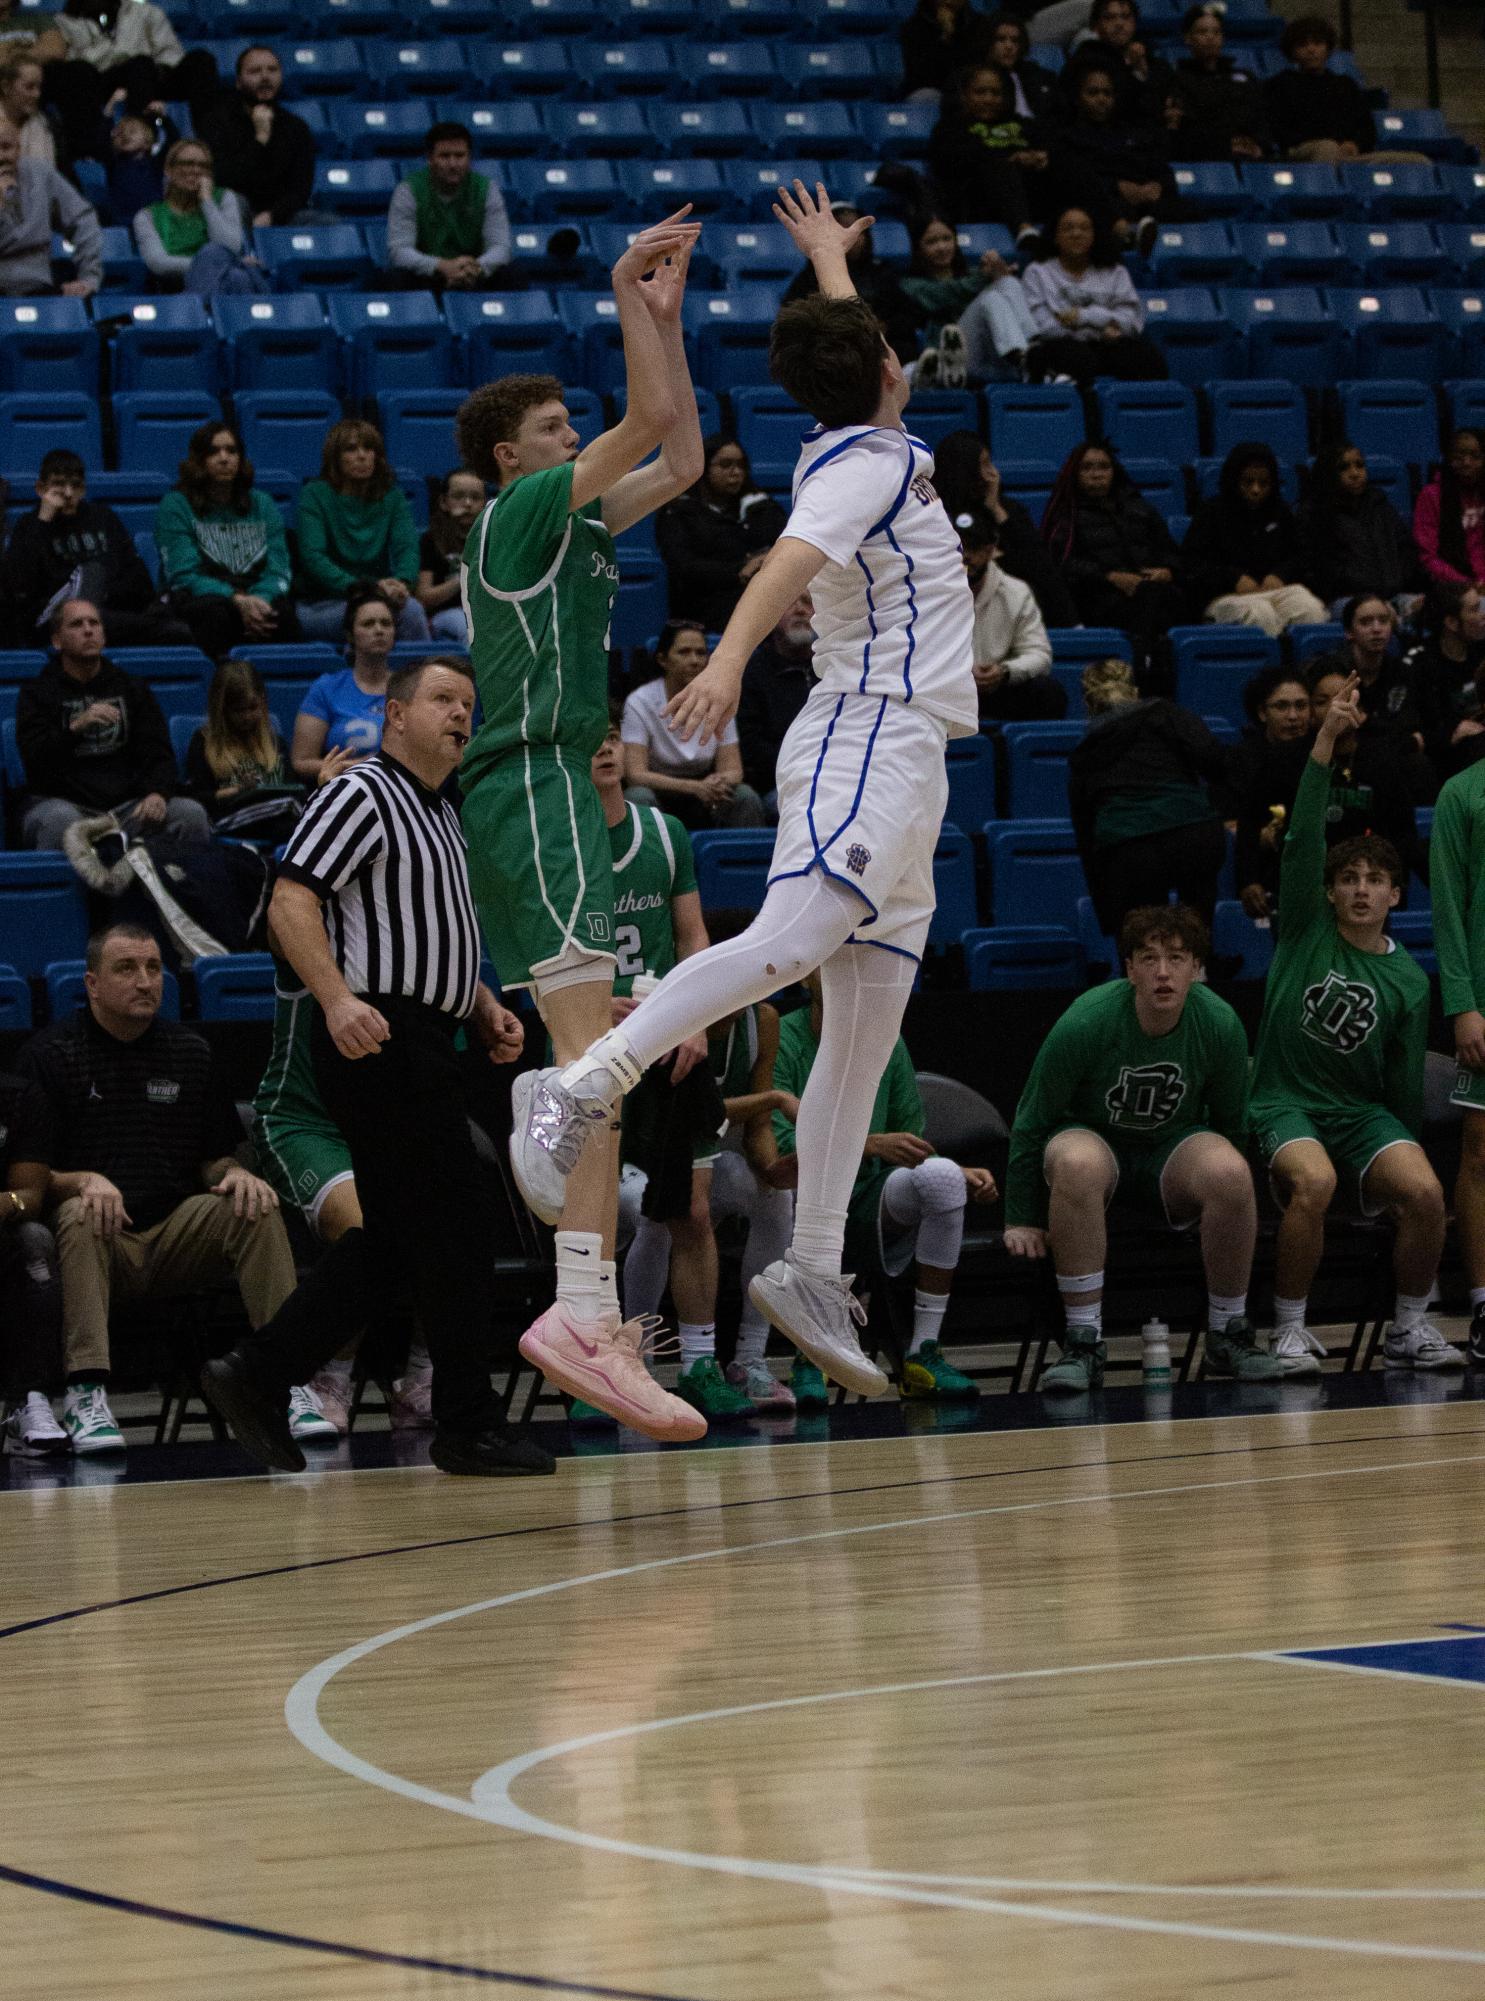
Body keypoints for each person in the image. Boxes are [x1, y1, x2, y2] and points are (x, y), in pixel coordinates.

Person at [509, 182, 980, 1411]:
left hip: (917, 753)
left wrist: (828, 261)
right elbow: (789, 562)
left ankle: (815, 1266)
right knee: (793, 943)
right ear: (885, 367)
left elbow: (854, 356)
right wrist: (721, 660)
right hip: (862, 735)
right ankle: (583, 1082)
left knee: (867, 1013)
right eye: (881, 339)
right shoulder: (862, 468)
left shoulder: (866, 436)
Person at [454, 209, 709, 1442]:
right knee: (587, 1061)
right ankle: (576, 1310)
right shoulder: (512, 524)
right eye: (556, 431)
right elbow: (646, 428)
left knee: (597, 1049)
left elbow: (687, 459)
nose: (576, 439)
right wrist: (624, 288)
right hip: (535, 785)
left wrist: (666, 323)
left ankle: (584, 1308)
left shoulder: (579, 529)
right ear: (514, 463)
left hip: (546, 791)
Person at [198, 658, 557, 1478]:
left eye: (470, 704)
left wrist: (480, 1004)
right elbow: (293, 897)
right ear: (394, 714)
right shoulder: (361, 792)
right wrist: (335, 999)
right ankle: (466, 1422)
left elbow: (425, 936)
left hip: (429, 1031)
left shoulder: (444, 814)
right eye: (443, 700)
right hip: (377, 1033)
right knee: (458, 1223)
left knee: (400, 1239)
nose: (461, 716)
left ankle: (256, 1370)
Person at [14, 920, 317, 1454]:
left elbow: (213, 1160)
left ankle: (286, 1379)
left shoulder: (191, 1053)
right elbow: (29, 1177)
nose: (145, 981)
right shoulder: (50, 1055)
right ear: (91, 984)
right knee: (84, 1213)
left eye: (153, 968)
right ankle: (86, 1396)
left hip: (176, 1231)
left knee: (255, 1206)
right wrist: (82, 1179)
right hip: (94, 1242)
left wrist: (236, 1174)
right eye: (126, 968)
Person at [1249, 674, 1461, 1374]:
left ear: (1395, 894)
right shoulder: (1305, 926)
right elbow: (1306, 831)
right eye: (1348, 879)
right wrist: (1324, 737)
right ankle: (1286, 1330)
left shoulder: (1407, 977)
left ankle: (1407, 1326)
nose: (1360, 888)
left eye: (1374, 880)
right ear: (1329, 891)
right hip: (1284, 1101)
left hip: (1360, 1114)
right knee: (1312, 1183)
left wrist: (1389, 1149)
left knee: (1426, 1189)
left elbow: (1402, 1081)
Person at [1004, 903, 1279, 1390]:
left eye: (1176, 958)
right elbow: (1032, 1119)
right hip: (1094, 1139)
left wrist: (1224, 1200)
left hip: (1171, 1151)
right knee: (1077, 1161)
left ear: (1198, 968)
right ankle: (1083, 1341)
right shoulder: (1087, 1020)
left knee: (1232, 1172)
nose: (1163, 972)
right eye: (1149, 959)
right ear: (1129, 969)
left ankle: (1228, 1334)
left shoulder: (1220, 1024)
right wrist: (1021, 1215)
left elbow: (1233, 1124)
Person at [582, 722, 751, 1423]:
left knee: (692, 1209)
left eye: (611, 734)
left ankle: (702, 1361)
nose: (602, 747)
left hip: (668, 1041)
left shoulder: (663, 834)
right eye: (586, 737)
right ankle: (593, 1366)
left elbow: (691, 938)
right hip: (588, 1046)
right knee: (586, 1221)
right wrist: (593, 1003)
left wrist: (690, 1018)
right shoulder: (555, 845)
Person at [773, 968, 996, 1401]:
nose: (844, 974)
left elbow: (908, 1143)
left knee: (944, 1179)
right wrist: (870, 1145)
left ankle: (922, 1353)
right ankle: (809, 1355)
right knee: (784, 1196)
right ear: (805, 978)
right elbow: (780, 1155)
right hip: (795, 1195)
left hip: (866, 1198)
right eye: (831, 964)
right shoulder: (782, 1038)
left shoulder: (886, 1040)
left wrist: (952, 1169)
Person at [251, 937, 431, 1437]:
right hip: (304, 1123)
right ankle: (329, 1376)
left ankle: (421, 1377)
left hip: (381, 1122)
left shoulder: (409, 942)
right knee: (366, 1224)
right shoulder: (308, 926)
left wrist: (485, 1006)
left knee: (449, 1206)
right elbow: (282, 921)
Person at [16, 599, 211, 850]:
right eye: (76, 624)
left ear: (104, 636)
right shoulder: (38, 693)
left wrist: (157, 793)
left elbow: (158, 752)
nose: (88, 630)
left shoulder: (131, 687)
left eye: (94, 623)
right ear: (57, 641)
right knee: (58, 820)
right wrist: (75, 728)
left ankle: (180, 888)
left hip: (127, 809)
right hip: (67, 805)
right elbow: (34, 760)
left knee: (189, 813)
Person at [1068, 656, 1229, 935]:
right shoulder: (1167, 713)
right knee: (1196, 933)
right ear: (1135, 690)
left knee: (1145, 941)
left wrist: (1109, 918)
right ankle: (1202, 968)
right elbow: (1215, 761)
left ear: (1087, 703)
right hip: (1194, 834)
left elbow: (1086, 834)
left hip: (1129, 850)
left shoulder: (1084, 752)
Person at [0, 447, 188, 648]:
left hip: (107, 612)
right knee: (93, 572)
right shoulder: (30, 525)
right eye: (58, 485)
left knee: (177, 632)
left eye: (76, 486)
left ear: (84, 489)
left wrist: (103, 593)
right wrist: (43, 521)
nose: (68, 493)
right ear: (40, 489)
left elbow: (137, 578)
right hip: (53, 620)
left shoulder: (104, 518)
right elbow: (17, 584)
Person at [1429, 748, 1485, 1368]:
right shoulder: (1462, 792)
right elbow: (1447, 903)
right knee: (1480, 1149)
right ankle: (1484, 1303)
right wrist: (1464, 1003)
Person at [155, 420, 298, 658]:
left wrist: (259, 599)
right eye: (214, 451)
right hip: (202, 597)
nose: (224, 458)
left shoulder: (262, 503)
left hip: (254, 592)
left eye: (232, 451)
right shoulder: (176, 505)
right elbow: (183, 574)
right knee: (216, 615)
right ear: (199, 460)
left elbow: (278, 567)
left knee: (282, 616)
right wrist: (237, 600)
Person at [1040, 439, 1184, 659]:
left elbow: (1171, 553)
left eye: (1104, 467)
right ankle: (1143, 661)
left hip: (1148, 591)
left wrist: (1167, 571)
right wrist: (1110, 577)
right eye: (1087, 468)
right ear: (1075, 474)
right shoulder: (1066, 515)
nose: (1097, 474)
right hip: (1095, 598)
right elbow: (1059, 565)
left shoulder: (1141, 509)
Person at [621, 621, 768, 831]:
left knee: (745, 796)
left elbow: (734, 770)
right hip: (659, 790)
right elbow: (636, 774)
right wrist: (693, 787)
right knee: (637, 796)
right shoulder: (639, 701)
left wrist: (711, 784)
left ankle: (744, 863)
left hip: (709, 790)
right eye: (684, 652)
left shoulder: (720, 698)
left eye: (701, 653)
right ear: (662, 659)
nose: (695, 660)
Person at [294, 419, 431, 644]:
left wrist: (403, 584)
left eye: (369, 449)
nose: (362, 456)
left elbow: (407, 549)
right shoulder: (314, 495)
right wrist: (368, 589)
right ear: (335, 457)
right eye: (351, 449)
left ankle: (419, 679)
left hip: (379, 596)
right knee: (366, 619)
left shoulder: (392, 496)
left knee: (412, 611)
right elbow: (313, 558)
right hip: (324, 603)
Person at [47, 0, 218, 168]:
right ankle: (106, 149)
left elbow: (170, 51)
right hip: (99, 79)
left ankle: (211, 143)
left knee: (200, 61)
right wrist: (121, 55)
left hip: (149, 75)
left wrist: (160, 68)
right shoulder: (63, 22)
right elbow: (73, 59)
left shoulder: (146, 12)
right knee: (84, 71)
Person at [933, 428, 1077, 626]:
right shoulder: (934, 512)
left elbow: (1040, 564)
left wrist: (996, 510)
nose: (992, 473)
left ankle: (1073, 630)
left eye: (990, 463)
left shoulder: (1008, 509)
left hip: (1009, 602)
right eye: (984, 464)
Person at [1181, 442, 1327, 636]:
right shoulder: (1211, 512)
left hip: (1276, 590)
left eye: (1263, 483)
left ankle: (1314, 666)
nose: (1256, 490)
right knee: (1259, 614)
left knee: (1310, 608)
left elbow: (1302, 555)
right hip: (1224, 596)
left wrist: (1282, 574)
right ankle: (1270, 666)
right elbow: (1192, 564)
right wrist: (1232, 578)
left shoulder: (1281, 511)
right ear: (1234, 481)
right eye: (1248, 482)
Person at [1022, 205, 1167, 390]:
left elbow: (1131, 321)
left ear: (1094, 235)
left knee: (1148, 358)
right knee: (1077, 357)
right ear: (1055, 237)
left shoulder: (1115, 271)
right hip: (1059, 345)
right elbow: (1040, 326)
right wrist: (1097, 331)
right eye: (1068, 228)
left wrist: (1084, 318)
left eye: (1084, 228)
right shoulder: (1037, 272)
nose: (1076, 234)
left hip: (1107, 344)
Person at [0, 1068, 68, 1457]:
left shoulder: (17, 1095)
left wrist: (8, 1203)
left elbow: (30, 1195)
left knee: (36, 1242)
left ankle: (27, 1401)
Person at [656, 434, 786, 633]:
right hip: (701, 609)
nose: (736, 473)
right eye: (726, 465)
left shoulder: (760, 506)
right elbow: (684, 567)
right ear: (704, 467)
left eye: (741, 465)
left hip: (758, 608)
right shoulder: (678, 512)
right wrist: (738, 571)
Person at [1264, 16, 1427, 165]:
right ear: (1292, 51)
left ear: (1327, 47)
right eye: (1303, 45)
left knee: (1418, 161)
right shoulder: (1279, 85)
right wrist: (1331, 142)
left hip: (1347, 155)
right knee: (1327, 148)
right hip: (1302, 154)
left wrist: (1354, 144)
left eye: (1317, 43)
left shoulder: (1346, 85)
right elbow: (1280, 132)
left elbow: (1366, 127)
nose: (1311, 50)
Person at [928, 63, 1057, 248]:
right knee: (997, 165)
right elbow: (952, 164)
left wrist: (1041, 158)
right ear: (965, 95)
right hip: (980, 201)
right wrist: (1012, 159)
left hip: (1034, 192)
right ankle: (1023, 228)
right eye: (980, 92)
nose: (989, 99)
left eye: (996, 93)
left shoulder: (1026, 126)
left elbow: (1052, 150)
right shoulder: (950, 128)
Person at [1053, 58, 1176, 250]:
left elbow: (1162, 169)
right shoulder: (1068, 137)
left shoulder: (1134, 133)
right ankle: (1129, 238)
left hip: (1148, 202)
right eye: (1093, 93)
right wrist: (1117, 187)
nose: (1101, 99)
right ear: (1078, 97)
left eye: (1107, 93)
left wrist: (1158, 186)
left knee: (1188, 209)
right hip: (1107, 202)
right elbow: (1074, 179)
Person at [902, 210, 1037, 386]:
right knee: (990, 299)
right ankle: (1023, 358)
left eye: (947, 239)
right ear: (917, 247)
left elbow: (974, 284)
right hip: (952, 359)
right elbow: (949, 294)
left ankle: (1033, 353)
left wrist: (999, 273)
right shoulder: (911, 284)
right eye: (931, 242)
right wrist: (984, 277)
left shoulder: (973, 275)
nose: (942, 247)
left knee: (1008, 282)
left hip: (995, 357)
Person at [956, 504, 1065, 720]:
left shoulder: (1016, 592)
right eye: (958, 548)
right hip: (945, 691)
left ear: (990, 550)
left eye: (974, 547)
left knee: (1048, 693)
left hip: (995, 690)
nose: (966, 556)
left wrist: (1004, 672)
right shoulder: (924, 595)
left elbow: (1039, 654)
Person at [781, 203, 922, 364]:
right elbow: (792, 323)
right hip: (831, 356)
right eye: (844, 228)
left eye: (859, 230)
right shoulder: (809, 278)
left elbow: (909, 314)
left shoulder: (882, 273)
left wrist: (884, 325)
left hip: (884, 351)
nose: (854, 236)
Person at [1300, 441, 1427, 620]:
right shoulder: (1315, 514)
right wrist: (1370, 596)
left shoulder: (1380, 506)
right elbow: (1321, 571)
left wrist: (1399, 581)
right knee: (1377, 615)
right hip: (1346, 600)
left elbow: (1407, 551)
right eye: (1344, 468)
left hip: (1395, 596)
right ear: (1328, 474)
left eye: (1359, 465)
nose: (1355, 473)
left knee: (1440, 609)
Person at [198, 45, 316, 232]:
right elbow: (224, 178)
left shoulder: (296, 127)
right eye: (255, 71)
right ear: (238, 81)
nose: (265, 77)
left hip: (279, 215)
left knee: (324, 221)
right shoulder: (217, 123)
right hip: (232, 212)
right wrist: (260, 139)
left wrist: (272, 215)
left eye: (272, 70)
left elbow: (300, 189)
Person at [1228, 664, 1313, 922]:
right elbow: (1229, 822)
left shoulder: (1322, 756)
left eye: (1301, 706)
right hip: (1260, 868)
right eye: (1282, 706)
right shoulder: (1240, 760)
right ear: (1262, 713)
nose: (1293, 716)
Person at [386, 122, 513, 293]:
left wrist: (475, 268)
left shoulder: (487, 189)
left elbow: (501, 247)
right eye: (445, 156)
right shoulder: (408, 190)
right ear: (430, 159)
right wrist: (442, 266)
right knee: (395, 278)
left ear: (469, 158)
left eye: (460, 156)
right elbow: (399, 251)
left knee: (513, 274)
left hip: (473, 276)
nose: (453, 164)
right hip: (429, 276)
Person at [184, 659, 303, 844]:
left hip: (272, 817)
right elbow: (196, 797)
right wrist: (234, 791)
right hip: (225, 817)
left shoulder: (274, 741)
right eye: (239, 711)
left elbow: (291, 783)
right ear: (222, 710)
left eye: (253, 708)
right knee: (293, 803)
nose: (248, 717)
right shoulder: (204, 742)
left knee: (291, 815)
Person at [290, 584, 395, 785]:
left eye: (386, 623)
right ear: (350, 634)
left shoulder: (410, 688)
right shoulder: (327, 689)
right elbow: (301, 761)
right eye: (368, 624)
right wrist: (357, 766)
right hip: (345, 789)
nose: (379, 630)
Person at [1303, 592, 1426, 755]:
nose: (1377, 629)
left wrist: (1367, 722)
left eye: (1383, 621)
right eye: (1365, 622)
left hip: (1386, 756)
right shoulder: (1329, 670)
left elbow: (1410, 728)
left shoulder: (1401, 670)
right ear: (1349, 632)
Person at [132, 136, 254, 294]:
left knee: (235, 276)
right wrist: (212, 264)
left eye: (203, 166)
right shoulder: (147, 216)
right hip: (177, 289)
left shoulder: (224, 198)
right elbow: (158, 263)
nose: (196, 170)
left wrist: (206, 201)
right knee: (231, 271)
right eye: (187, 163)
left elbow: (230, 248)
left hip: (225, 285)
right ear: (169, 170)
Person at [0, 110, 100, 296]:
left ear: (18, 148)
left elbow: (84, 219)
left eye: (6, 147)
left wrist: (89, 278)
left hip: (38, 289)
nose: (1, 157)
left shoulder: (39, 174)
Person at [735, 593, 815, 811]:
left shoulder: (834, 666)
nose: (800, 610)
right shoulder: (752, 673)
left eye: (807, 602)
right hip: (778, 783)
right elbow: (751, 744)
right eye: (790, 602)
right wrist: (803, 767)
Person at [1172, 4, 1268, 163]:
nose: (1210, 37)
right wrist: (1224, 145)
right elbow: (1187, 129)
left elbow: (1261, 119)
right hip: (1206, 157)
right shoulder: (1177, 80)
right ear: (1188, 38)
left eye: (1216, 32)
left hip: (1251, 155)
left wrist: (1259, 145)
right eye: (1202, 32)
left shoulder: (1245, 78)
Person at [1407, 580, 1485, 776]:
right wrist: (1452, 732)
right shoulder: (1419, 663)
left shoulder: (1481, 652)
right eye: (1475, 610)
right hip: (1447, 756)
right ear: (1451, 622)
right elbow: (1414, 730)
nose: (1483, 616)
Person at [1069, 0, 1173, 125]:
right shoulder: (1084, 62)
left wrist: (1141, 70)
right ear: (1095, 25)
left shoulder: (1154, 63)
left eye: (1126, 16)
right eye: (1110, 17)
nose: (1119, 23)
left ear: (1135, 22)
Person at [415, 467, 486, 645]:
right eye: (459, 496)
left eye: (475, 497)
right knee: (468, 627)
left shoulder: (492, 537)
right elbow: (424, 597)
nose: (468, 503)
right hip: (445, 614)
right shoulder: (431, 540)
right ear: (444, 502)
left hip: (486, 611)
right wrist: (462, 577)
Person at [1414, 429, 1485, 593]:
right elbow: (1427, 557)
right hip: (1452, 586)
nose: (1467, 462)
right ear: (1448, 459)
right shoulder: (1431, 496)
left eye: (1475, 456)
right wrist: (1466, 585)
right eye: (1459, 456)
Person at [900, 0, 996, 102]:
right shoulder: (913, 28)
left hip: (972, 89)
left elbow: (976, 64)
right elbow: (921, 76)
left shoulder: (981, 25)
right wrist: (945, 37)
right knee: (925, 96)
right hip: (934, 91)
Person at [985, 12, 1062, 121]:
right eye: (1001, 39)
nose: (1009, 46)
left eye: (1015, 40)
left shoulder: (1040, 75)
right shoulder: (978, 77)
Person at [0, 51, 56, 168]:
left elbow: (45, 174)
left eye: (39, 87)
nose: (37, 94)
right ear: (6, 87)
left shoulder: (40, 123)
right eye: (29, 87)